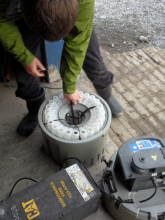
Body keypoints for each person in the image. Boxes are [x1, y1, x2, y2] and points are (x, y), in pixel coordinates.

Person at [0, 0, 123, 136]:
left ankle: (105, 91)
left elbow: (78, 42)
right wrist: (25, 57)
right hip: (25, 18)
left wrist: (70, 85)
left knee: (90, 54)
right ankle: (36, 110)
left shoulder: (84, 3)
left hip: (74, 14)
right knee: (24, 69)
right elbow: (2, 22)